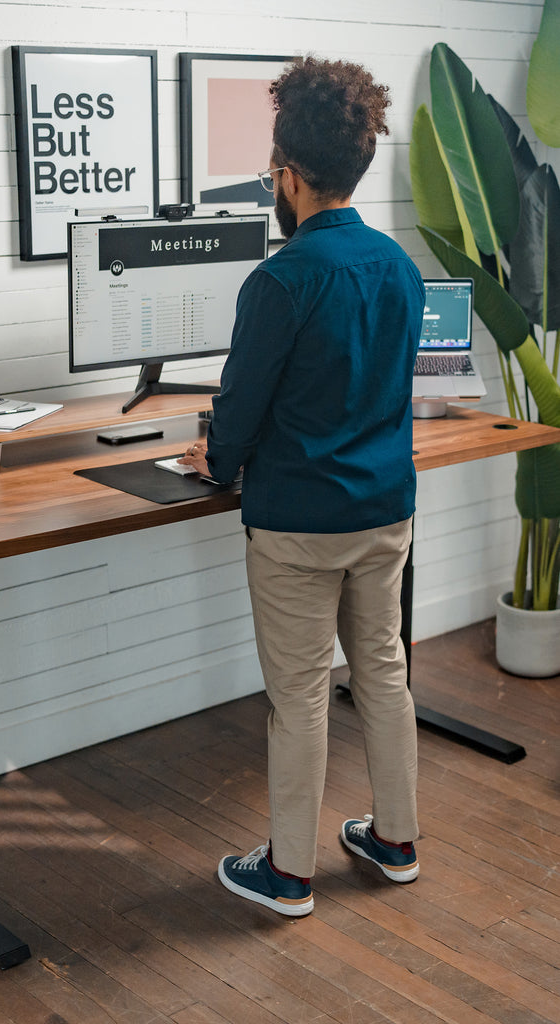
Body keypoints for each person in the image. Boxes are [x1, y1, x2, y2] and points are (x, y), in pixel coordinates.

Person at [178, 56, 425, 917]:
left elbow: (238, 418)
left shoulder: (279, 281)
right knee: (384, 674)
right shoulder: (399, 267)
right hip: (384, 511)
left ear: (288, 173)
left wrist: (210, 459)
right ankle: (394, 841)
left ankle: (287, 874)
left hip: (298, 529)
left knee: (301, 697)